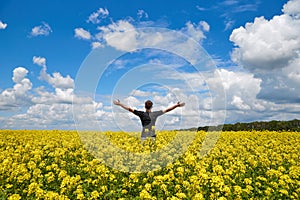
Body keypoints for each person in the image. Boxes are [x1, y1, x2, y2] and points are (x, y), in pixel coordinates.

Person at [113, 99, 185, 140]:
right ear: (152, 107)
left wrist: (120, 104)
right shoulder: (155, 114)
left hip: (144, 136)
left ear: (144, 106)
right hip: (152, 136)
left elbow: (129, 109)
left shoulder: (141, 114)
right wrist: (176, 105)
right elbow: (167, 110)